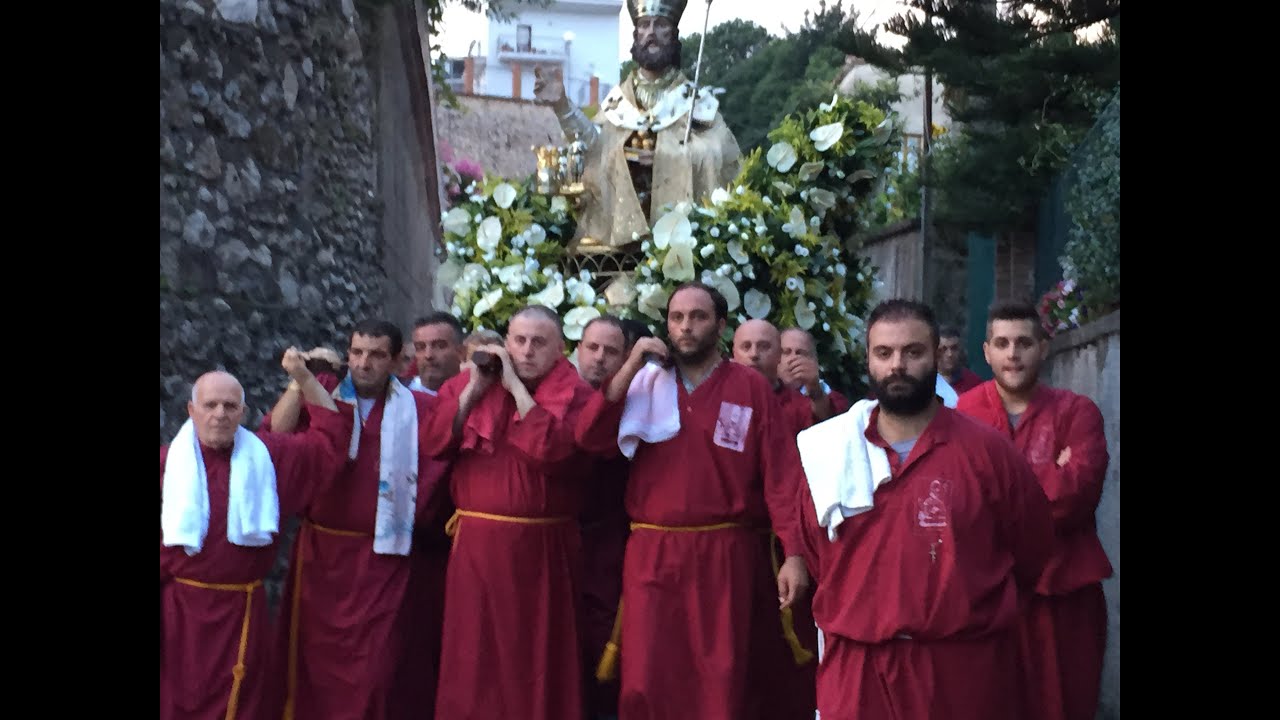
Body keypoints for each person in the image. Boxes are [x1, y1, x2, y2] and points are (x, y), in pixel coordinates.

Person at [795, 299, 1054, 720]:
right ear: (868, 360)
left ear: (937, 355)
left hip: (961, 673)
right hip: (859, 674)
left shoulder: (988, 452)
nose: (897, 365)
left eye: (912, 352)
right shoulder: (828, 454)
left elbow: (1031, 552)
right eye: (884, 353)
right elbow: (817, 553)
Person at [575, 281, 811, 719]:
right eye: (677, 318)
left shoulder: (751, 388)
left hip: (726, 555)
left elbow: (782, 477)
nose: (685, 327)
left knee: (721, 673)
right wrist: (629, 366)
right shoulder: (644, 382)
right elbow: (589, 438)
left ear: (720, 325)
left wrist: (794, 553)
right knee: (648, 672)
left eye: (698, 317)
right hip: (653, 553)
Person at [266, 319, 449, 720]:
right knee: (311, 665)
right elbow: (273, 437)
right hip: (322, 558)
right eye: (357, 353)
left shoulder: (420, 408)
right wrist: (301, 382)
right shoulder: (323, 394)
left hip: (384, 556)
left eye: (377, 354)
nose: (364, 363)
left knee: (377, 669)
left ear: (399, 362)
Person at [423, 305, 597, 720]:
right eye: (518, 341)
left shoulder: (578, 395)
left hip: (543, 551)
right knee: (474, 655)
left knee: (537, 656)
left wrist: (517, 388)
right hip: (477, 549)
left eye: (539, 342)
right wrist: (474, 390)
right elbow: (432, 444)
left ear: (561, 349)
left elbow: (554, 452)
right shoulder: (468, 385)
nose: (526, 350)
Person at [160, 356, 351, 720]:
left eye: (230, 406)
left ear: (244, 412)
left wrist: (303, 379)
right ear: (191, 410)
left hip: (241, 614)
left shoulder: (269, 459)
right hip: (179, 615)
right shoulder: (167, 464)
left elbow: (331, 438)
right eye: (210, 405)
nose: (220, 414)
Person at [956, 301, 1113, 720]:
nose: (1013, 354)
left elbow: (1077, 496)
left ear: (1043, 348)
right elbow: (960, 503)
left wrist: (997, 495)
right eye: (1003, 343)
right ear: (986, 351)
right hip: (988, 596)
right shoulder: (961, 415)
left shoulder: (1078, 412)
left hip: (1065, 595)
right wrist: (1046, 473)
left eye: (1024, 342)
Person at [533, 0, 741, 250]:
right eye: (644, 25)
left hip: (684, 245)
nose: (651, 32)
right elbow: (594, 147)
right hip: (622, 240)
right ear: (636, 34)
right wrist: (563, 106)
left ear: (673, 34)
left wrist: (664, 157)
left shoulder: (696, 103)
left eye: (660, 24)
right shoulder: (618, 102)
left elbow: (718, 155)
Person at [574, 315, 633, 719]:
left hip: (611, 540)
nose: (599, 359)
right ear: (577, 350)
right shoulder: (555, 395)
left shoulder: (635, 400)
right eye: (592, 348)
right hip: (555, 538)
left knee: (605, 638)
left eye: (610, 351)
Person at [779, 327, 849, 419]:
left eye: (801, 353)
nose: (793, 358)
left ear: (814, 361)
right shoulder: (763, 392)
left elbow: (829, 422)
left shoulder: (834, 400)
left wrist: (814, 389)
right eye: (786, 352)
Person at [409, 312, 466, 396]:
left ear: (461, 352)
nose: (428, 355)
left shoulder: (476, 394)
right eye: (420, 347)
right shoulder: (399, 400)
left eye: (440, 346)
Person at [938, 325, 983, 394]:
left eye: (954, 348)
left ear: (961, 350)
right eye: (944, 349)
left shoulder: (974, 384)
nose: (950, 354)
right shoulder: (925, 381)